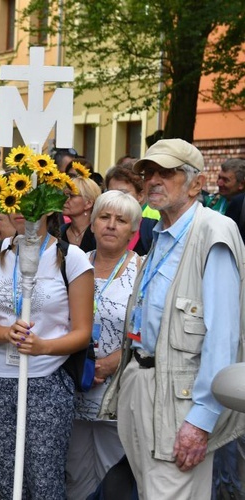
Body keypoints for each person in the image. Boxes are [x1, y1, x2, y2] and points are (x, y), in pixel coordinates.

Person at [99, 138, 245, 499]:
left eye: (168, 172)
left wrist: (201, 420)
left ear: (196, 183)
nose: (153, 180)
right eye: (149, 172)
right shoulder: (161, 233)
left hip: (181, 399)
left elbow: (223, 336)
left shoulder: (214, 231)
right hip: (143, 383)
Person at [0, 211, 93, 498]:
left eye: (29, 203)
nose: (20, 212)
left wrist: (43, 347)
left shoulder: (71, 258)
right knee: (6, 480)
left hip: (47, 379)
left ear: (47, 207)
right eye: (14, 201)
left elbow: (82, 332)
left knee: (44, 479)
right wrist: (6, 333)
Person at [66, 190, 142, 499]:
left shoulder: (143, 271)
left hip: (117, 393)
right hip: (73, 391)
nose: (111, 225)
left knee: (117, 481)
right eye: (104, 217)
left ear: (133, 231)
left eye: (121, 220)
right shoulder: (72, 264)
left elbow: (148, 332)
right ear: (92, 224)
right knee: (75, 478)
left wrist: (115, 361)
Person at [104, 165, 157, 255]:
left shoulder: (151, 229)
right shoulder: (100, 227)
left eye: (123, 193)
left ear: (140, 196)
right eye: (111, 193)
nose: (116, 198)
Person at [60, 176, 102, 251]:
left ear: (88, 203)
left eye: (71, 196)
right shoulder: (60, 232)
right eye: (64, 195)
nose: (64, 200)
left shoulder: (99, 235)